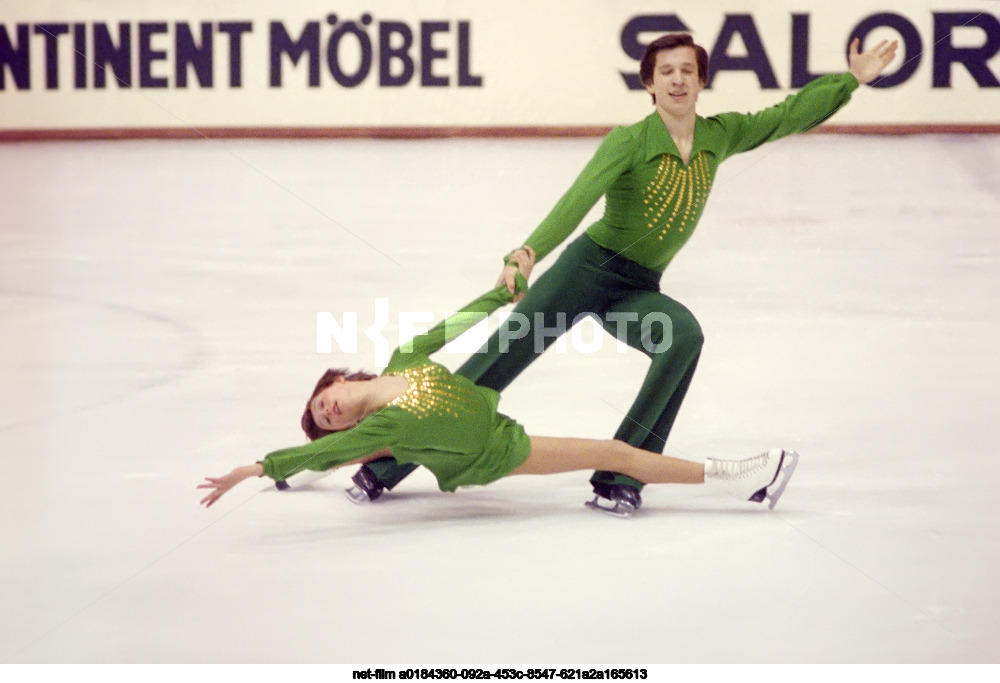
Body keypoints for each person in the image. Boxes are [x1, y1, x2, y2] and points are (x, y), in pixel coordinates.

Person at [345, 32, 897, 516]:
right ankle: (387, 465)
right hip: (583, 273)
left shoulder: (719, 135)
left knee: (683, 337)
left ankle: (620, 476)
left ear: (701, 81)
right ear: (650, 86)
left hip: (636, 291)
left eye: (687, 70)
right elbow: (577, 199)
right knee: (492, 367)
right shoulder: (629, 141)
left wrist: (850, 80)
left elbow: (784, 117)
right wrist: (527, 253)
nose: (678, 80)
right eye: (666, 72)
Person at [198, 279, 798, 512]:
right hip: (495, 454)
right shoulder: (377, 430)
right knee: (613, 452)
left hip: (496, 421)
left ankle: (735, 477)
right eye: (323, 422)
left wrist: (499, 297)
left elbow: (453, 325)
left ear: (334, 380)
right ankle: (737, 476)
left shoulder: (404, 359)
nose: (325, 413)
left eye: (319, 401)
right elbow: (317, 456)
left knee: (613, 448)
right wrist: (259, 467)